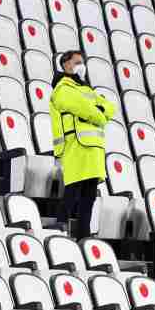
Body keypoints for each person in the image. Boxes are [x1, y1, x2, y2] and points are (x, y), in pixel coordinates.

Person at [50, 50, 116, 240]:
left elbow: (110, 107)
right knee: (72, 191)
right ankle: (58, 231)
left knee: (89, 196)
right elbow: (83, 107)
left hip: (94, 148)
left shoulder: (87, 88)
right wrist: (100, 115)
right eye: (77, 62)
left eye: (82, 62)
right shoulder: (62, 88)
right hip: (76, 146)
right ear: (65, 64)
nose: (81, 65)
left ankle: (83, 237)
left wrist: (100, 111)